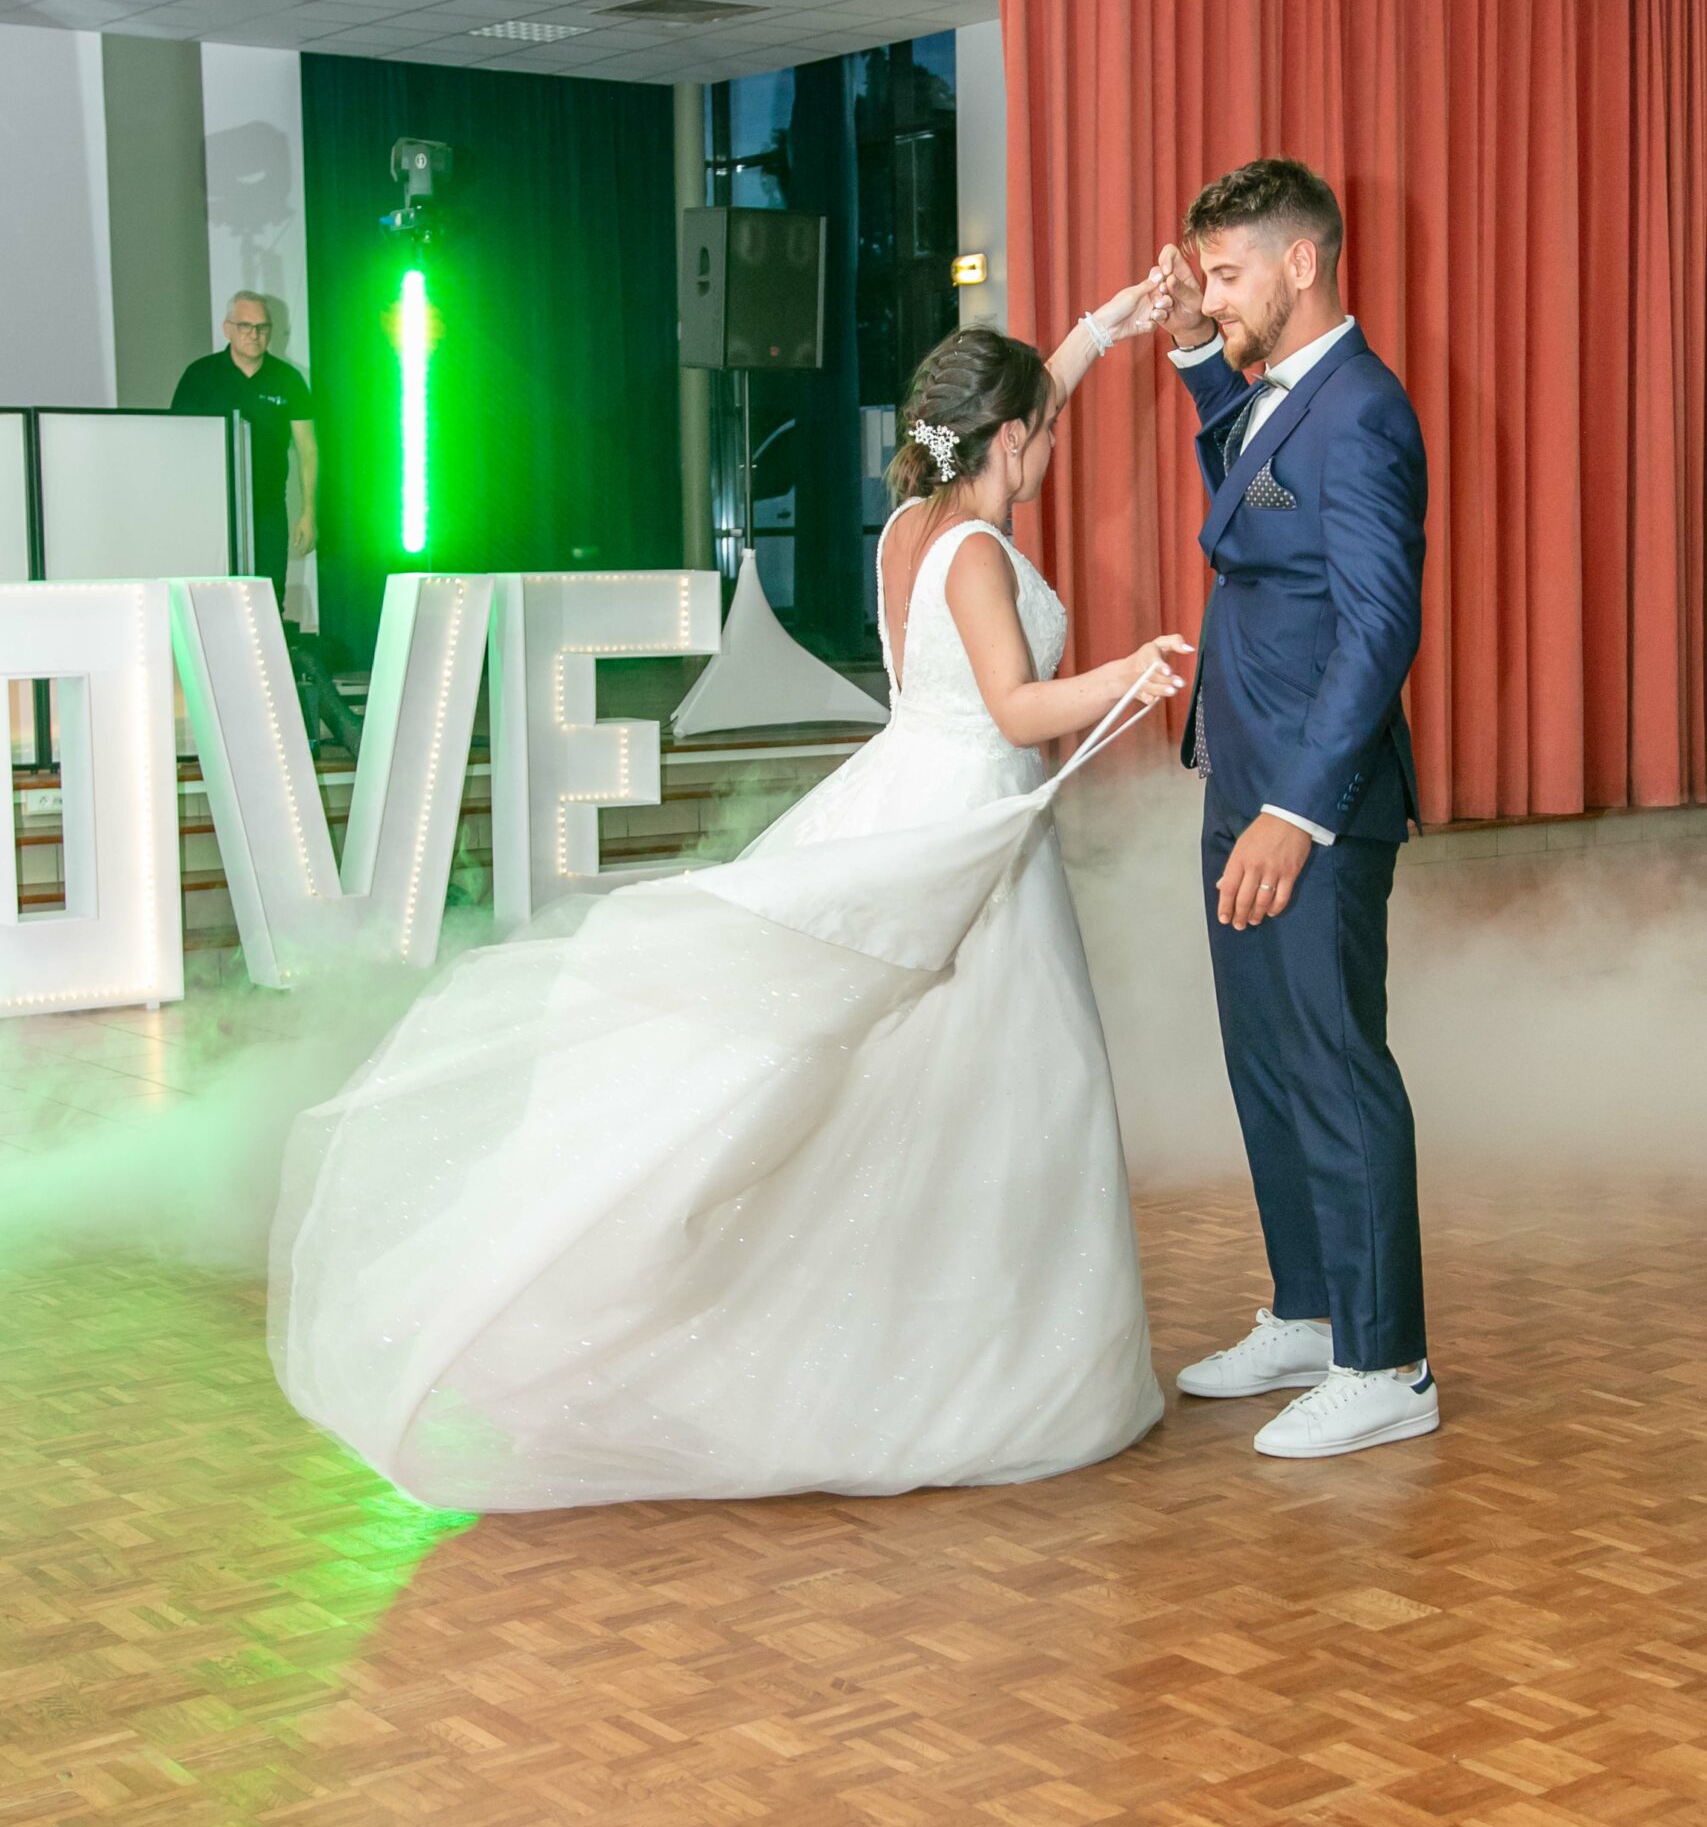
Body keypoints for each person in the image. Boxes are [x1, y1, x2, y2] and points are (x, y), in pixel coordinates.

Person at [268, 295, 1193, 1512]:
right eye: (1044, 428)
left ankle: (959, 1343)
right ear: (1007, 438)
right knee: (1018, 1083)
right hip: (969, 826)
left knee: (929, 1082)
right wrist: (1129, 672)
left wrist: (1102, 329)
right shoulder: (974, 552)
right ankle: (996, 1372)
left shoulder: (912, 523)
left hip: (914, 792)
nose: (1057, 440)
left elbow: (1022, 415)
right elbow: (1018, 710)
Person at [1156, 158, 1434, 1461]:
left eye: (1225, 276)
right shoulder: (1284, 396)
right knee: (1264, 1060)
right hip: (1243, 780)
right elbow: (1249, 486)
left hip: (1308, 806)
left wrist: (1297, 813)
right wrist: (1190, 354)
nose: (1212, 297)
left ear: (1301, 262)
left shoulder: (1362, 412)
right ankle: (1311, 1312)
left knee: (1332, 1065)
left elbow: (1379, 629)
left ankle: (1387, 1364)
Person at [172, 293, 316, 612]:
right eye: (245, 326)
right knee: (210, 596)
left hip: (268, 505)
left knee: (269, 595)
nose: (254, 335)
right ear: (228, 329)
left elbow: (308, 448)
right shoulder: (200, 375)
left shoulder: (287, 379)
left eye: (262, 327)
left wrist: (309, 512)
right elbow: (178, 442)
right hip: (211, 505)